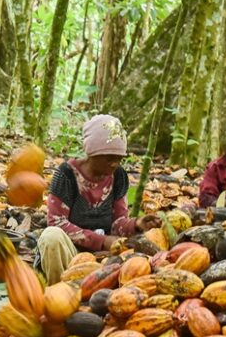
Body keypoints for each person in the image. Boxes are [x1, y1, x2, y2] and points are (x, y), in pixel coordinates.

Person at [37, 114, 161, 284]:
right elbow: (56, 222)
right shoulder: (66, 174)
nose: (114, 164)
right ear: (92, 153)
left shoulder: (118, 176)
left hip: (104, 259)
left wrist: (136, 224)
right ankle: (58, 291)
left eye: (119, 159)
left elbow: (118, 222)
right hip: (71, 252)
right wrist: (102, 241)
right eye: (109, 158)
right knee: (51, 236)